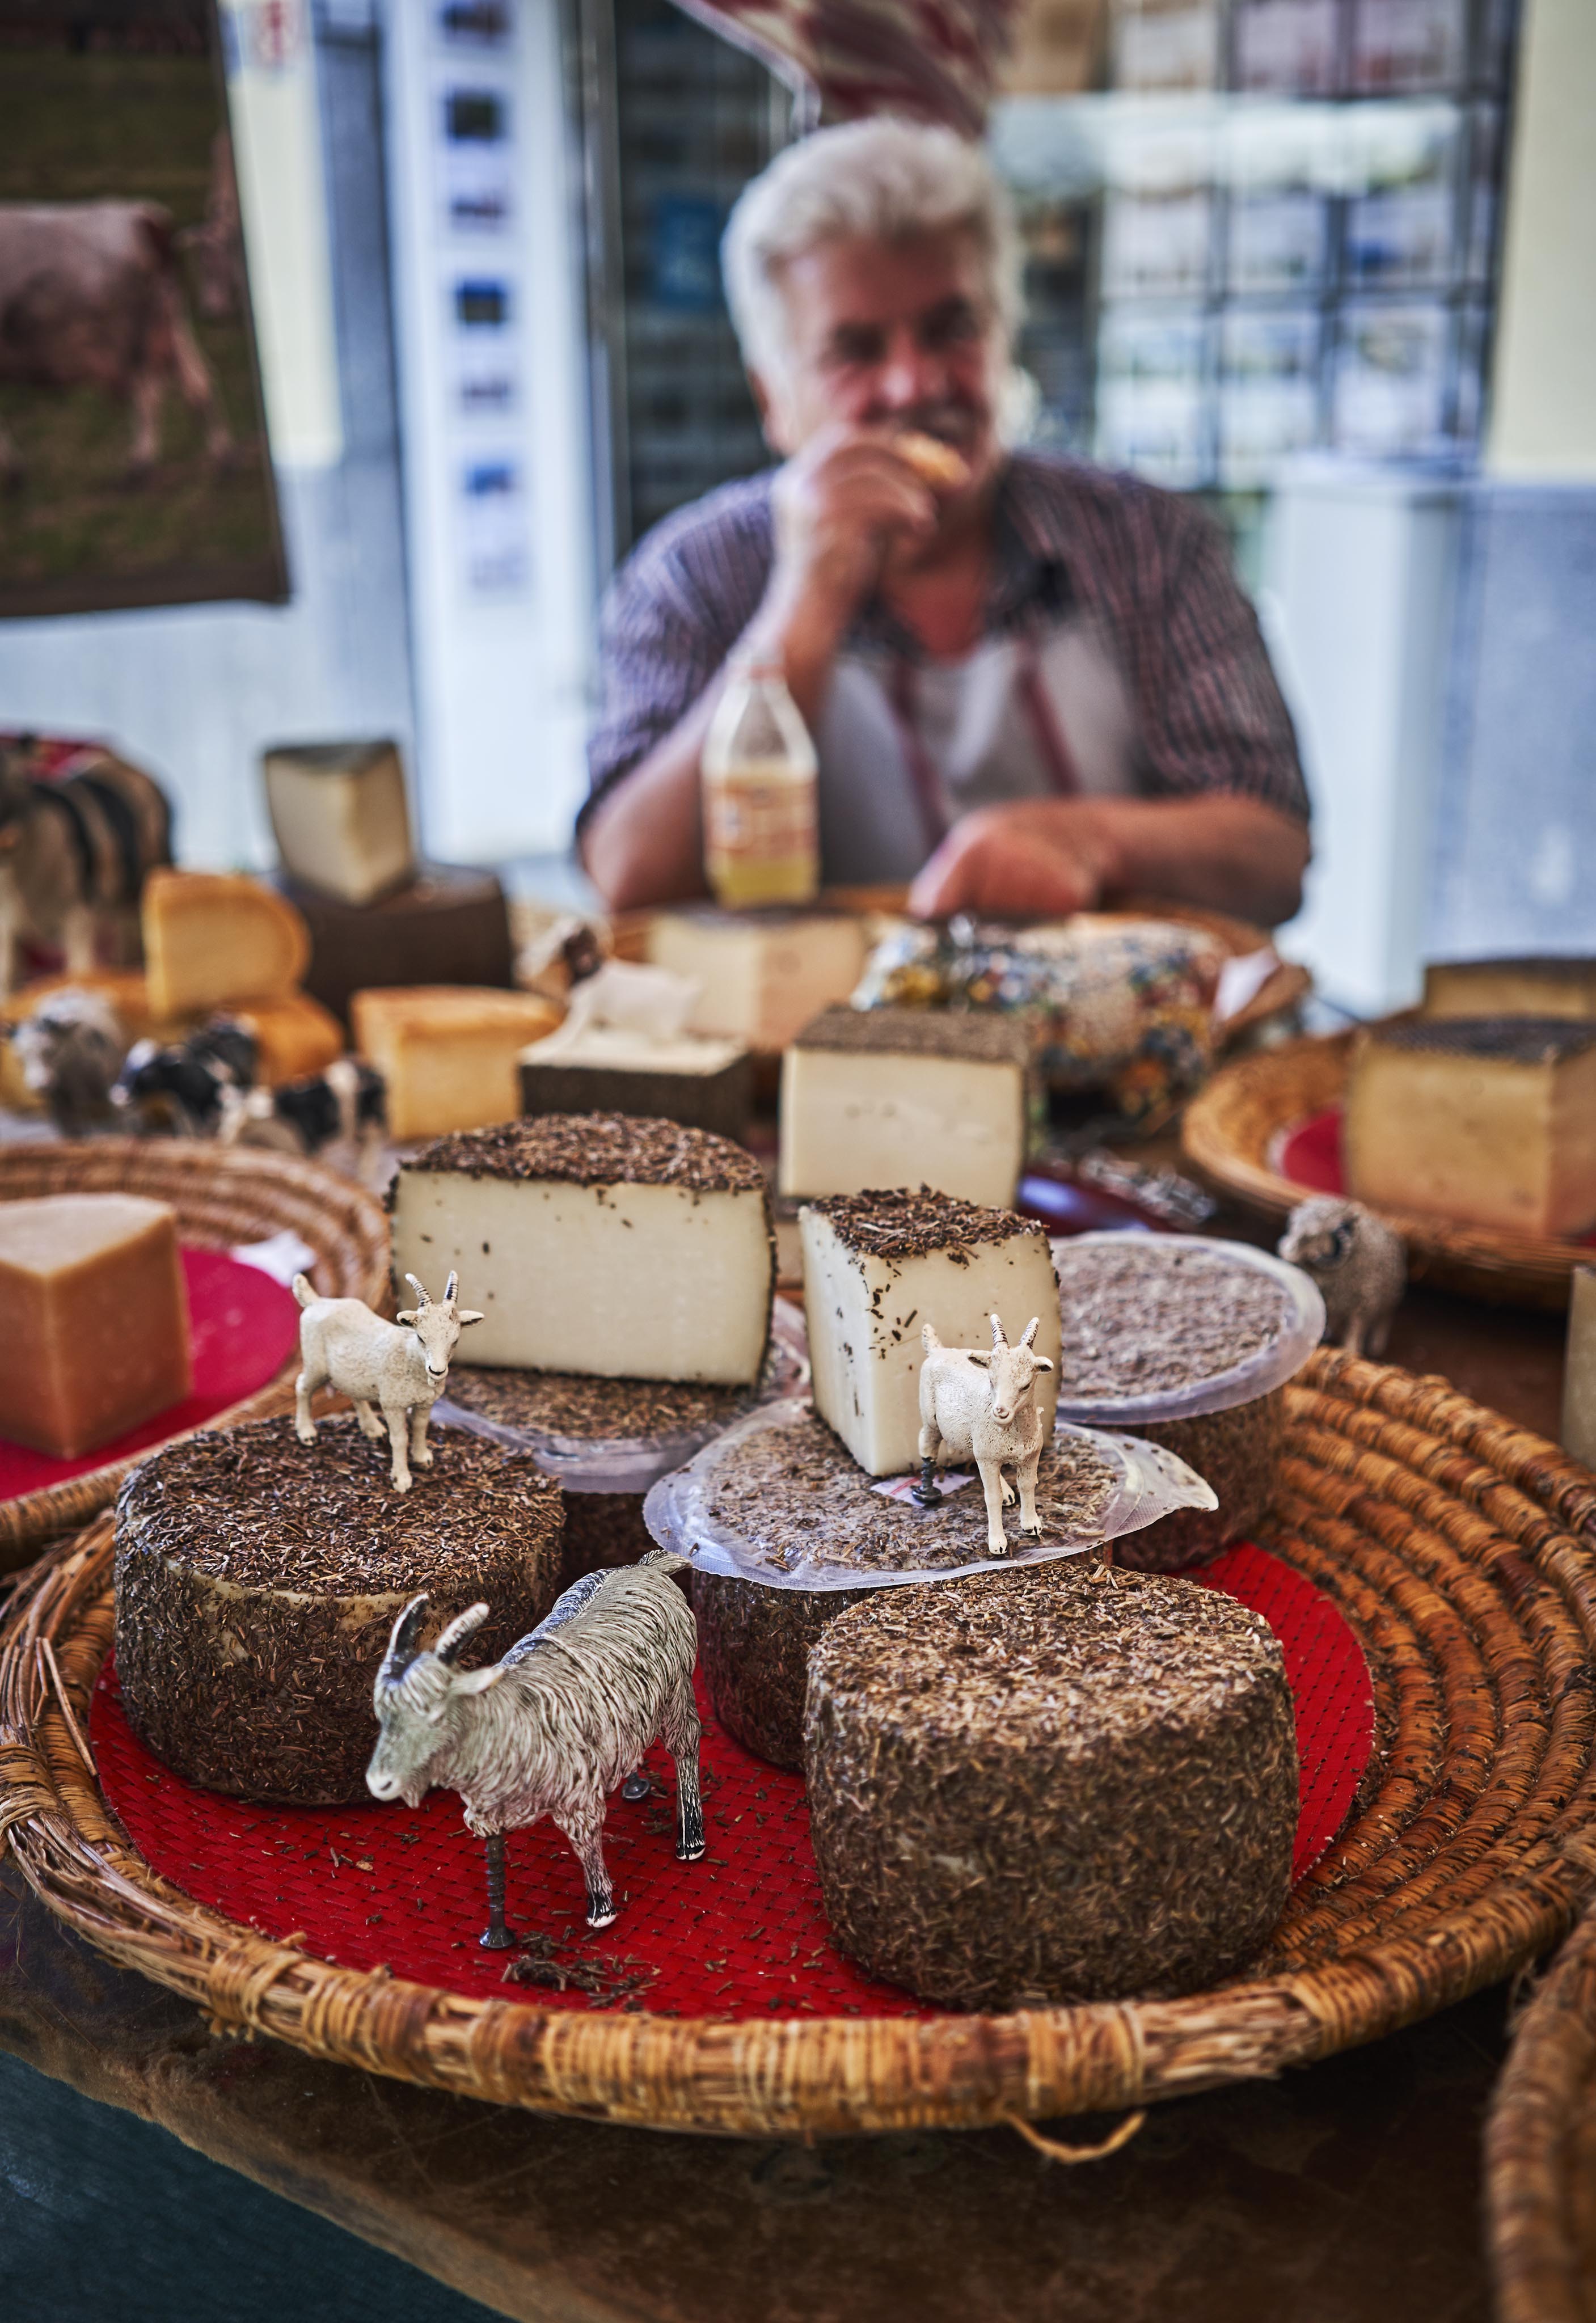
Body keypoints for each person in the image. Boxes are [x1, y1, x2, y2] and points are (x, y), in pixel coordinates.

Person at [579, 117, 1311, 927]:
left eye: (950, 330)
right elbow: (627, 881)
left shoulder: (1145, 541)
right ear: (773, 401)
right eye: (856, 349)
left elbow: (1273, 858)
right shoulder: (694, 577)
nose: (915, 384)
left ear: (1004, 338)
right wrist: (805, 600)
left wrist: (1088, 839)